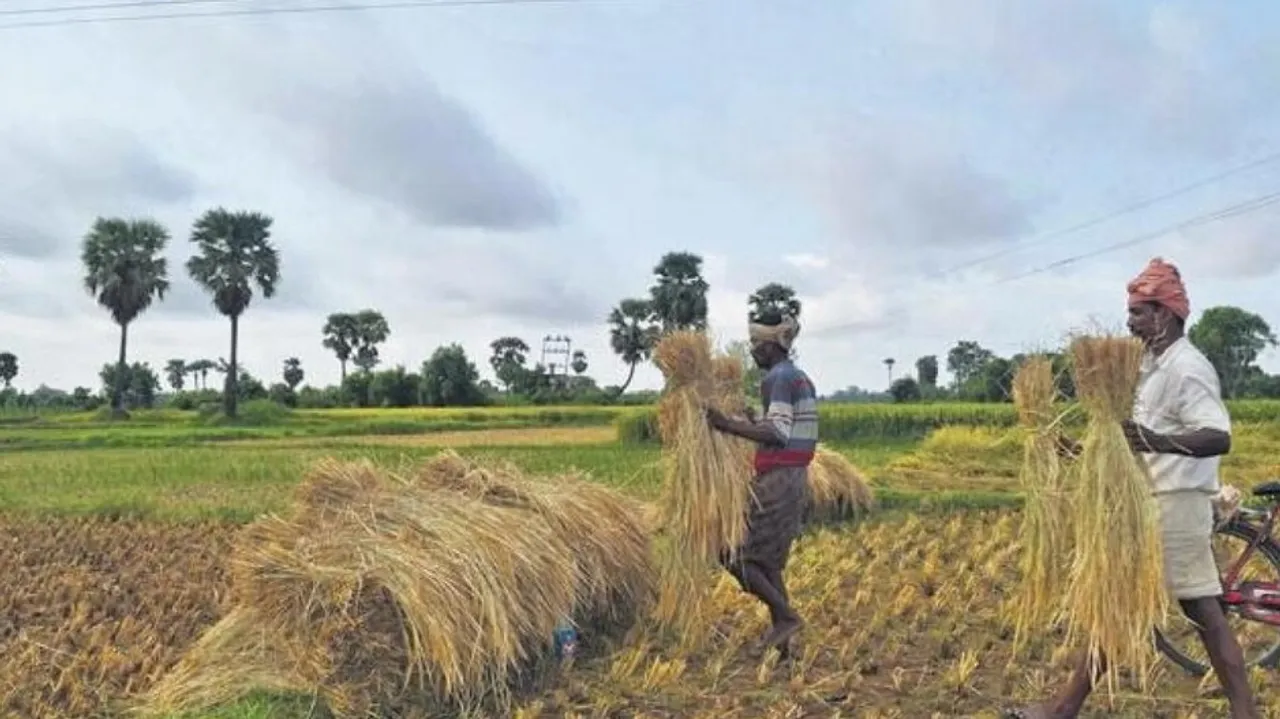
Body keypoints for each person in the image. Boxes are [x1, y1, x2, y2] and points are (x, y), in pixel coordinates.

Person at [1005, 257, 1260, 719]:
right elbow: (1134, 439)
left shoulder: (1188, 368)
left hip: (1178, 505)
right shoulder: (1149, 367)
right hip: (1150, 505)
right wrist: (1079, 450)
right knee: (1125, 604)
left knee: (1201, 612)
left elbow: (1217, 435)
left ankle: (1245, 712)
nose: (1129, 322)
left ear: (1164, 313)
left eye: (1138, 312)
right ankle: (1065, 707)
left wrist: (1159, 441)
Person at [705, 313, 818, 656]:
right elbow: (780, 426)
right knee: (767, 563)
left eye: (756, 345)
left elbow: (777, 434)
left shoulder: (777, 379)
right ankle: (784, 649)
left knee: (731, 554)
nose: (753, 351)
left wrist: (725, 424)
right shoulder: (798, 377)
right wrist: (752, 420)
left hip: (779, 479)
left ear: (771, 346)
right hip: (793, 477)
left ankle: (785, 618)